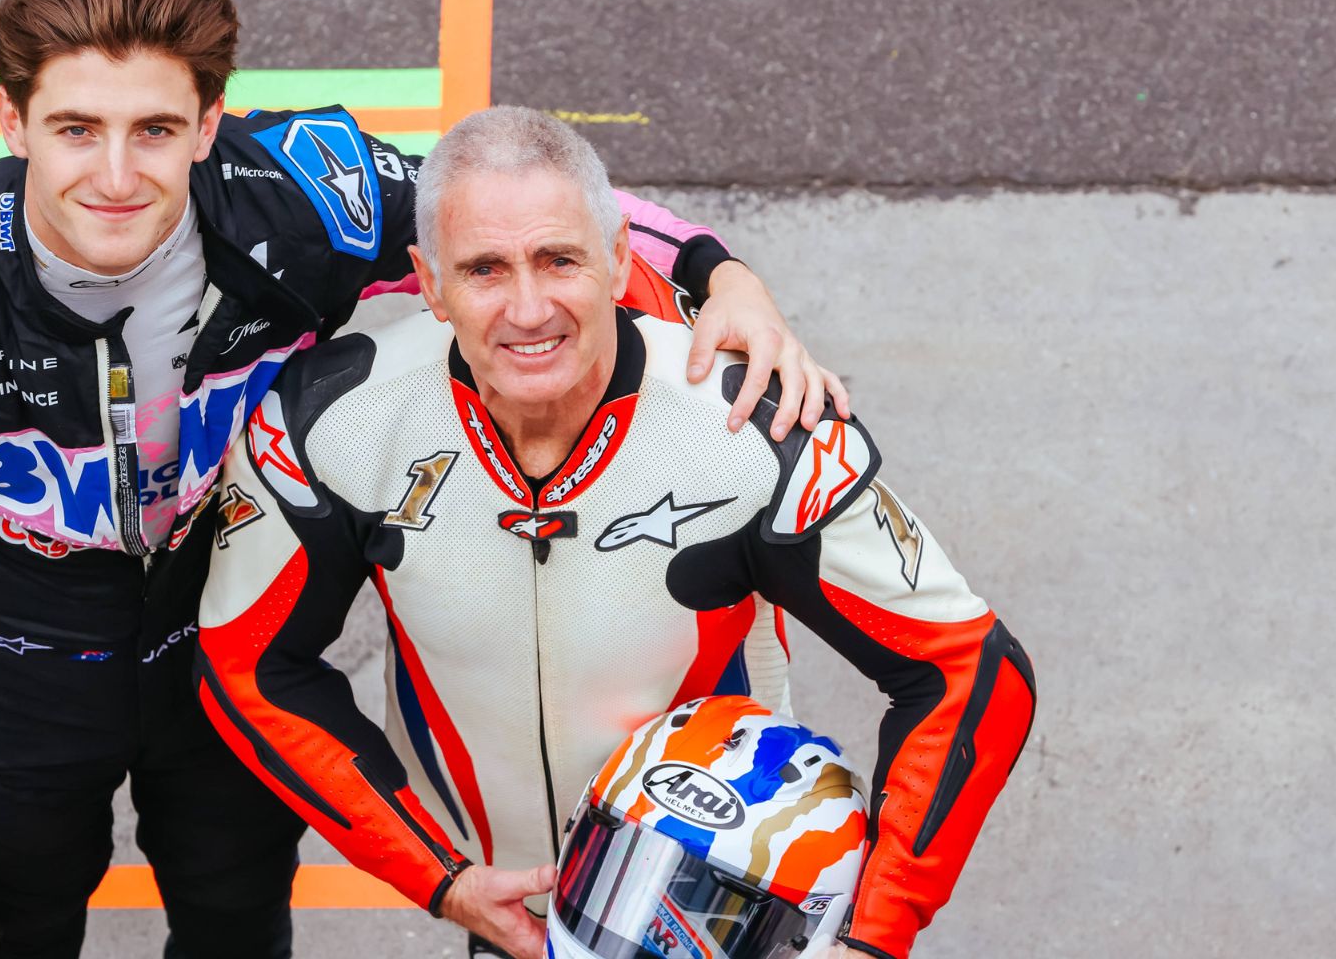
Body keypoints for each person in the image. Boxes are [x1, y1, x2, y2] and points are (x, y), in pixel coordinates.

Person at [0, 0, 846, 959]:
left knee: (237, 918)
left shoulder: (293, 195)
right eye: (76, 129)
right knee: (14, 924)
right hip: (9, 651)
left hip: (230, 618)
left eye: (156, 130)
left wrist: (721, 275)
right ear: (12, 119)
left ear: (209, 118)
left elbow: (525, 209)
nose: (117, 176)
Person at [195, 106, 1037, 959]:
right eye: (484, 269)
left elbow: (971, 671)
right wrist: (438, 876)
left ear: (620, 256)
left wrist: (875, 935)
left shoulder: (751, 431)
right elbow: (248, 664)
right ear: (430, 282)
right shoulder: (330, 424)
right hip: (502, 910)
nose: (529, 308)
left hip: (716, 910)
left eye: (559, 259)